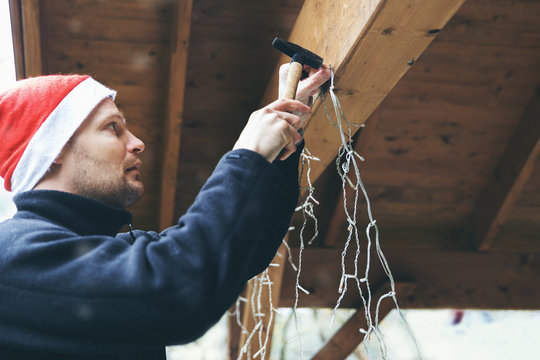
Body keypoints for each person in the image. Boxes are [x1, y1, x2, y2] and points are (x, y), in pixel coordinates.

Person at [0, 63, 330, 359]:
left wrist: (282, 134)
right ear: (53, 149)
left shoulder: (108, 248)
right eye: (113, 127)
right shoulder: (11, 254)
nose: (137, 142)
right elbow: (176, 287)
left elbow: (244, 247)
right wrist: (249, 153)